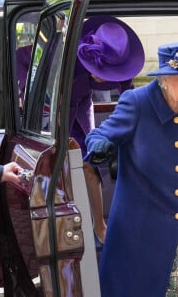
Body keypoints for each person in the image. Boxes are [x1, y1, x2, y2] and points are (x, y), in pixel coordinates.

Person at [84, 39, 178, 296]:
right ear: (165, 79)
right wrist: (101, 146)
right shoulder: (137, 103)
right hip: (140, 231)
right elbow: (98, 135)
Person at [70, 16, 145, 244]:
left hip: (83, 104)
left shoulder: (124, 64)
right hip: (65, 106)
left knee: (89, 163)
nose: (103, 79)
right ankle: (73, 223)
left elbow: (129, 101)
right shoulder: (72, 62)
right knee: (68, 162)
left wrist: (129, 132)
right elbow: (61, 100)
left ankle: (99, 225)